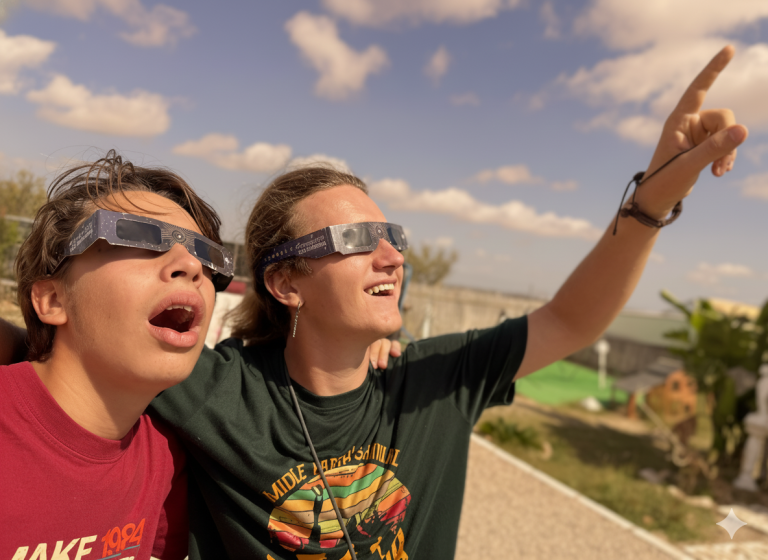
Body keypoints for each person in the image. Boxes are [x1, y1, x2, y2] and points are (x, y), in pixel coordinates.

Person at [0, 46, 749, 558]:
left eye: (391, 233)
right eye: (356, 238)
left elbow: (571, 319)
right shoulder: (215, 386)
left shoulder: (434, 382)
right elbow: (89, 359)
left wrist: (650, 200)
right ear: (285, 284)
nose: (393, 254)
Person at [0, 152, 234, 560]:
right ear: (54, 299)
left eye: (206, 255)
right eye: (140, 237)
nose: (192, 265)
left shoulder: (164, 458)